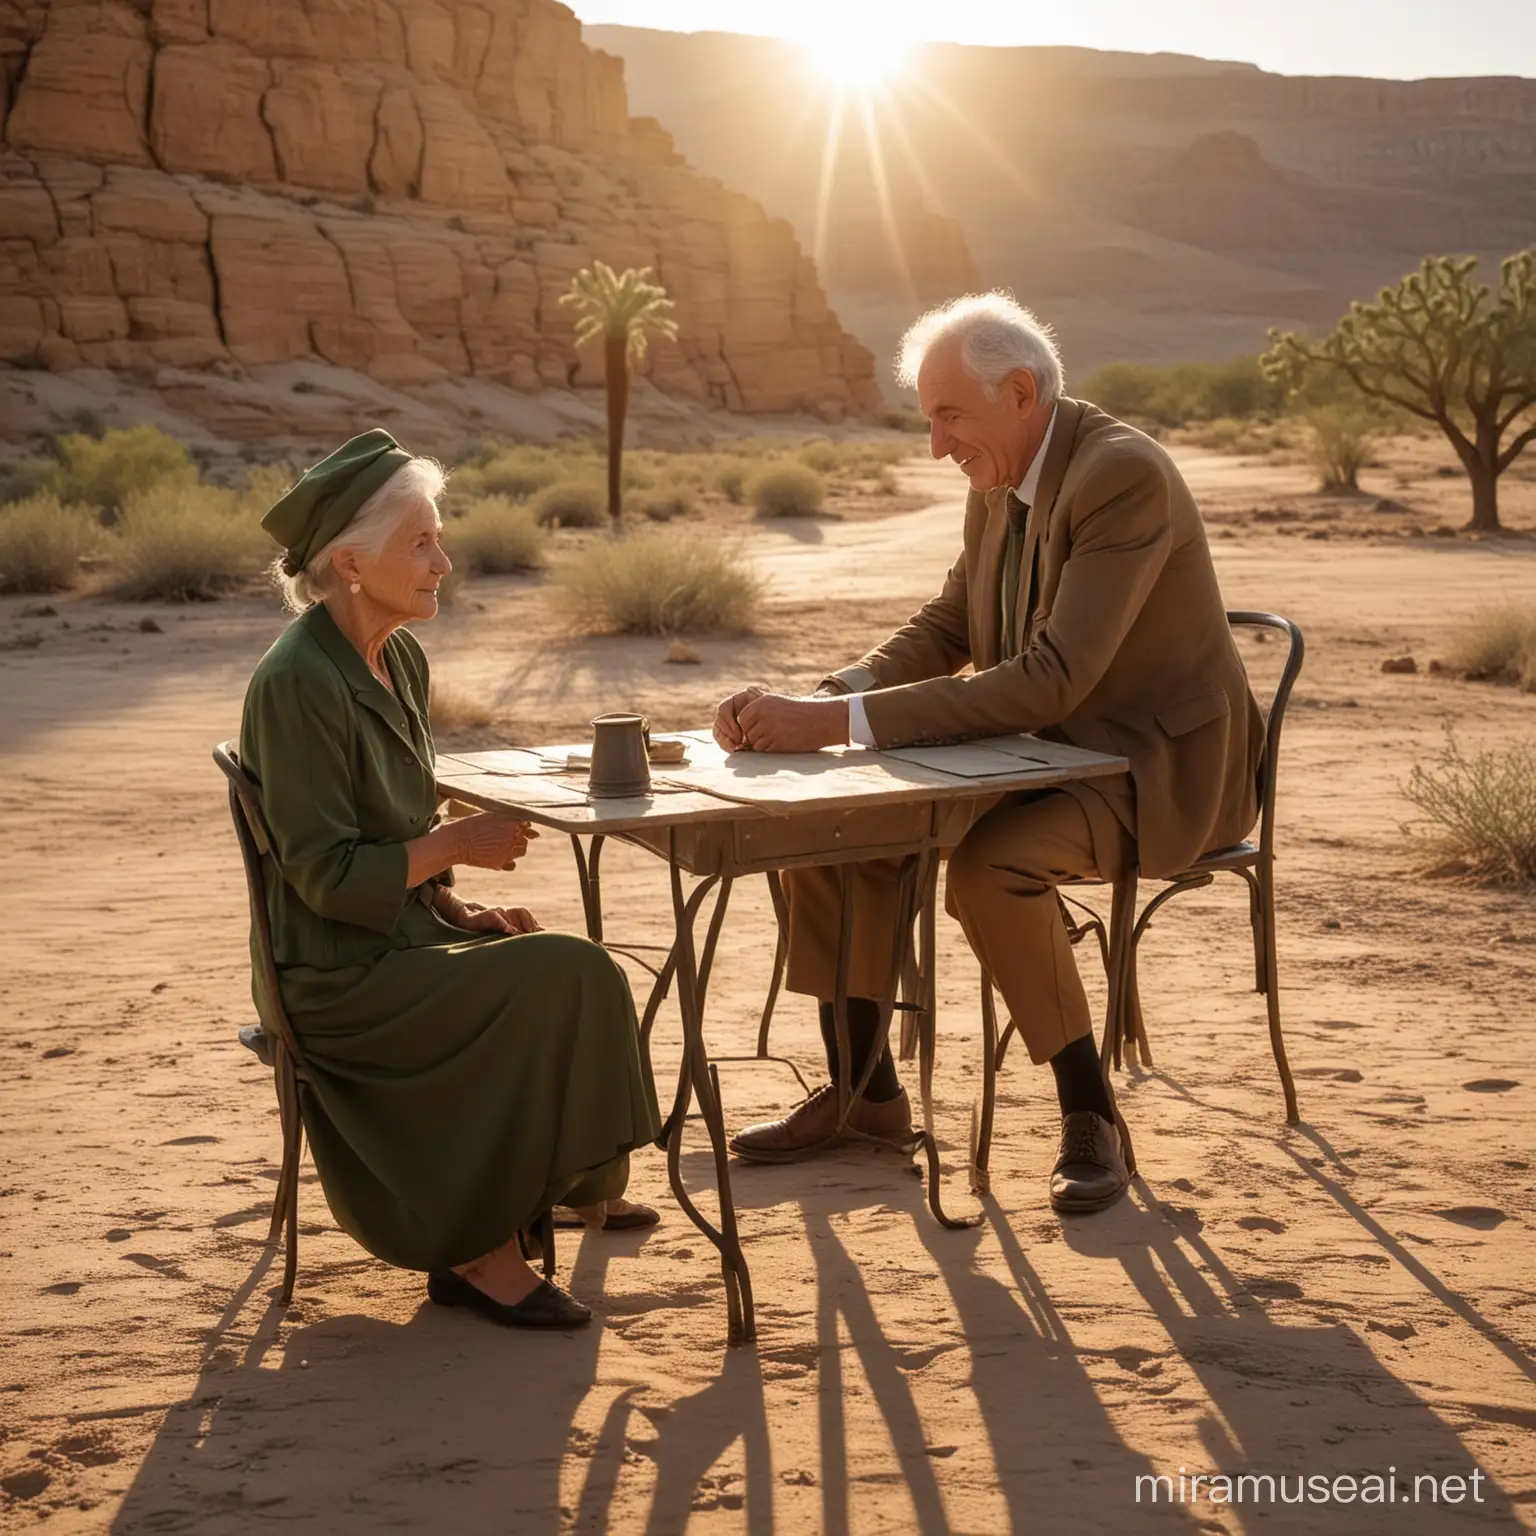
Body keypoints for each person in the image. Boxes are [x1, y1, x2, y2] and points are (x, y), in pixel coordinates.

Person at [714, 293, 1263, 1215]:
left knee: (988, 867)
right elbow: (949, 627)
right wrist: (827, 699)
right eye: (929, 419)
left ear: (1021, 392)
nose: (936, 446)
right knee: (835, 824)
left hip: (1153, 769)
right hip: (1038, 756)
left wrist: (841, 728)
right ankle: (865, 1095)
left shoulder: (1122, 475)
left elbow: (1052, 675)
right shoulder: (1002, 480)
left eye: (948, 416)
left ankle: (1091, 1116)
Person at [240, 430, 661, 1329]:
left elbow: (394, 833)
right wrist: (458, 848)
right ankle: (475, 1251)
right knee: (572, 974)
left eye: (439, 537)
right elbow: (322, 875)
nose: (444, 561)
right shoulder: (297, 683)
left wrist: (459, 905)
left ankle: (570, 1182)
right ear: (350, 564)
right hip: (335, 974)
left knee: (568, 960)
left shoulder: (401, 657)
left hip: (401, 936)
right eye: (421, 543)